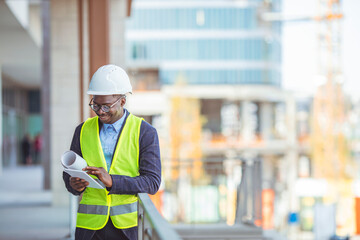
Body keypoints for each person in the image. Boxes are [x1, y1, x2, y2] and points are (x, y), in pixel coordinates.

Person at [63, 64, 161, 240]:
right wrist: (73, 184)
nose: (100, 112)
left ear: (122, 101)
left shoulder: (145, 132)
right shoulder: (82, 130)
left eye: (107, 106)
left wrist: (112, 181)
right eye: (96, 105)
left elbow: (152, 182)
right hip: (88, 228)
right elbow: (67, 176)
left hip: (125, 229)